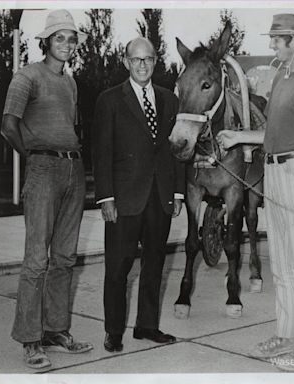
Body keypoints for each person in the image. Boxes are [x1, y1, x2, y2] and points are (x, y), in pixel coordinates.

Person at [216, 13, 294, 372]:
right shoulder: (281, 77)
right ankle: (286, 335)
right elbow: (272, 135)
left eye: (276, 41)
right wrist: (238, 137)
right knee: (280, 263)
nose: (271, 46)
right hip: (273, 168)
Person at [1, 9, 93, 369]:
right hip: (43, 169)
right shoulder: (27, 76)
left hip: (74, 168)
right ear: (45, 42)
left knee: (65, 256)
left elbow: (70, 126)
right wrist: (34, 156)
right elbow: (8, 126)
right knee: (37, 259)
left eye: (71, 38)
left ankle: (56, 330)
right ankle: (30, 339)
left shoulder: (70, 83)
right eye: (59, 38)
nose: (66, 44)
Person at [91, 37, 184, 353]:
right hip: (124, 200)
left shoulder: (170, 100)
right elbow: (101, 152)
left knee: (155, 265)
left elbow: (177, 150)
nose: (142, 65)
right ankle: (113, 331)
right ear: (126, 62)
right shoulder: (110, 100)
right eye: (136, 59)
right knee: (117, 269)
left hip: (159, 198)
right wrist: (106, 198)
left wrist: (178, 193)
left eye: (148, 59)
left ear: (155, 61)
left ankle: (147, 326)